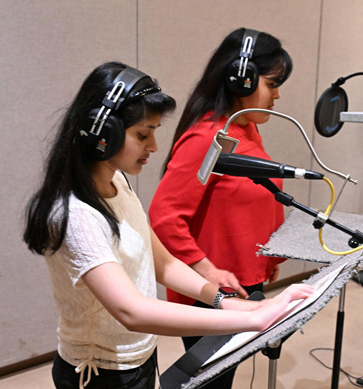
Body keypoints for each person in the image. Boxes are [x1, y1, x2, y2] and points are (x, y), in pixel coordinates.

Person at [23, 61, 313, 389]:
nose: (154, 147)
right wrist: (251, 318)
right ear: (103, 133)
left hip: (140, 357)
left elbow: (164, 263)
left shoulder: (118, 182)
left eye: (154, 133)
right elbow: (132, 311)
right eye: (142, 134)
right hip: (100, 374)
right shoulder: (74, 215)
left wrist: (227, 301)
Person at [149, 28, 293, 388]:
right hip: (210, 291)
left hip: (243, 281)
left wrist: (266, 260)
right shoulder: (208, 139)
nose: (277, 94)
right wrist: (207, 270)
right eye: (273, 83)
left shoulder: (244, 129)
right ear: (241, 81)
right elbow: (164, 218)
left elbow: (247, 204)